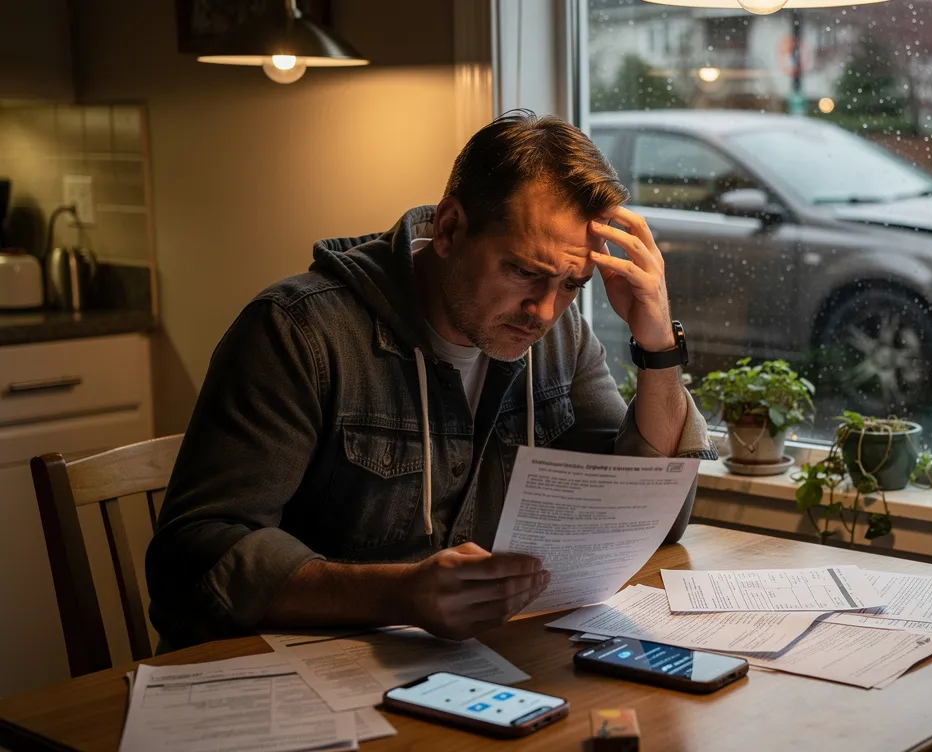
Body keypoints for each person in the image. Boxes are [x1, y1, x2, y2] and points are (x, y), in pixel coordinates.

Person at [146, 111, 715, 650]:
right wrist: (399, 594)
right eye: (522, 271)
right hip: (294, 676)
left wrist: (658, 348)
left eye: (571, 284)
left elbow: (654, 519)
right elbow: (194, 559)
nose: (543, 312)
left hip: (469, 670)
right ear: (449, 228)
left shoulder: (560, 337)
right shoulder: (298, 333)